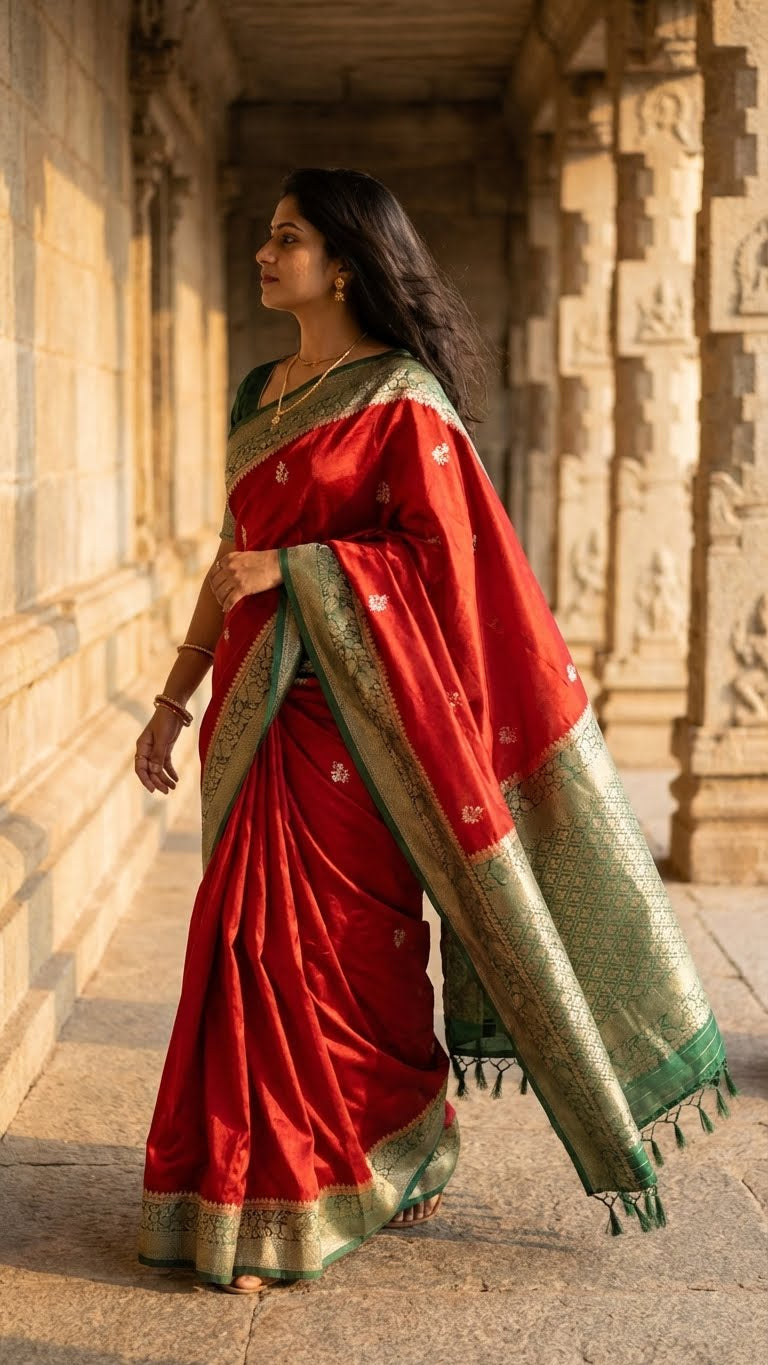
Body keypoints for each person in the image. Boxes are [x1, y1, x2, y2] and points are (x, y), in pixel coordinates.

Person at [135, 167, 735, 1294]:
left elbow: (449, 566)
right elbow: (227, 561)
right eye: (268, 238)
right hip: (249, 719)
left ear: (347, 263)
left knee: (333, 955)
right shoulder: (261, 392)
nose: (266, 255)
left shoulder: (404, 399)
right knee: (242, 949)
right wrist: (173, 698)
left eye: (288, 239)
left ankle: (373, 1156)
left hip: (351, 735)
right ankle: (250, 1179)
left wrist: (307, 569)